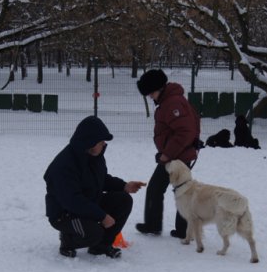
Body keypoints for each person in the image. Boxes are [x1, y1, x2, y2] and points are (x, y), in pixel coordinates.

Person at [44, 116, 145, 259]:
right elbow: (72, 200)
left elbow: (101, 179)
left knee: (123, 200)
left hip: (87, 202)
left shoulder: (95, 156)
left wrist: (124, 186)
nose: (104, 145)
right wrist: (101, 216)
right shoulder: (64, 166)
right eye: (101, 142)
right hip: (65, 213)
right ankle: (68, 241)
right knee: (94, 232)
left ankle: (100, 246)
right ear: (89, 142)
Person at [134, 69, 201, 239]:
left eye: (151, 92)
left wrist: (166, 155)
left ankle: (155, 225)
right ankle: (178, 229)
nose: (150, 96)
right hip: (178, 155)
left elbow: (185, 131)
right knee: (181, 190)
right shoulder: (170, 101)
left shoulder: (173, 103)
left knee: (159, 189)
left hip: (177, 157)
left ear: (160, 88)